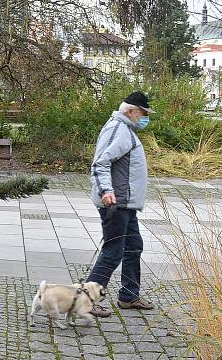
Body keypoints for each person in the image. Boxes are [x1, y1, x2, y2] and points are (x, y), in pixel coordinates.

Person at [87, 91, 156, 317]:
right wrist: (106, 191)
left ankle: (129, 296)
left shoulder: (126, 129)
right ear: (130, 111)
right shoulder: (118, 129)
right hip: (115, 203)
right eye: (143, 113)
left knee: (133, 247)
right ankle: (87, 301)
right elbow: (100, 163)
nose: (145, 117)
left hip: (126, 204)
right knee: (113, 252)